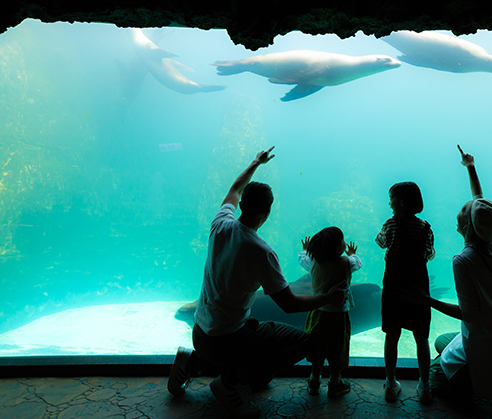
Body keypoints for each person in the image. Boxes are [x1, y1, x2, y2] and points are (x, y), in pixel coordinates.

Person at [167, 146, 346, 419]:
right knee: (305, 344)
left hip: (200, 332)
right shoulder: (262, 251)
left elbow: (235, 187)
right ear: (267, 212)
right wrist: (327, 297)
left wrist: (255, 163)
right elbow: (289, 304)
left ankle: (192, 363)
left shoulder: (220, 223)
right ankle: (229, 383)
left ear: (243, 205)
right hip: (230, 339)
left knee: (261, 375)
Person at [423, 145, 492, 407]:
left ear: (466, 225)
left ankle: (478, 389)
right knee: (443, 342)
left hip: (491, 354)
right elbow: (481, 203)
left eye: (465, 210)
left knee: (434, 375)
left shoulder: (463, 260)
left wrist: (426, 300)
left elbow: (469, 314)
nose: (463, 208)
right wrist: (470, 167)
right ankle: (488, 381)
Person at [376, 181, 435, 405]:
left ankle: (390, 384)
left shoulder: (390, 224)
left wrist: (380, 236)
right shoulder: (425, 227)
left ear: (400, 202)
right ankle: (425, 386)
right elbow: (428, 253)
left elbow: (382, 243)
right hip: (418, 286)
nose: (389, 202)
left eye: (391, 198)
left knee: (392, 334)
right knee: (421, 336)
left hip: (394, 285)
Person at [298, 227, 362, 397]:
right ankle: (335, 383)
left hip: (318, 312)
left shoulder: (313, 261)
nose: (345, 242)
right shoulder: (348, 262)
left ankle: (314, 380)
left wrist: (305, 249)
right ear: (337, 248)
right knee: (337, 348)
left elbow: (302, 259)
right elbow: (357, 262)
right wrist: (352, 253)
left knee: (317, 346)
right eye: (343, 240)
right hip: (339, 315)